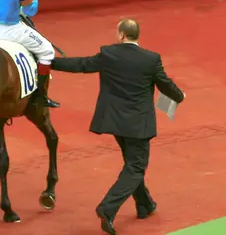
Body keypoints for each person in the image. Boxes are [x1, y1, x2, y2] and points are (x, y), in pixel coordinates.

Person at [50, 19, 185, 235]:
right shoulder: (151, 59)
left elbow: (81, 65)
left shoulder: (108, 54)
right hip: (138, 125)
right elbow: (165, 84)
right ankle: (107, 208)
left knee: (132, 165)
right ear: (136, 35)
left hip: (114, 123)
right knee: (136, 167)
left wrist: (51, 62)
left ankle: (145, 204)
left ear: (121, 35)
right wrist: (180, 96)